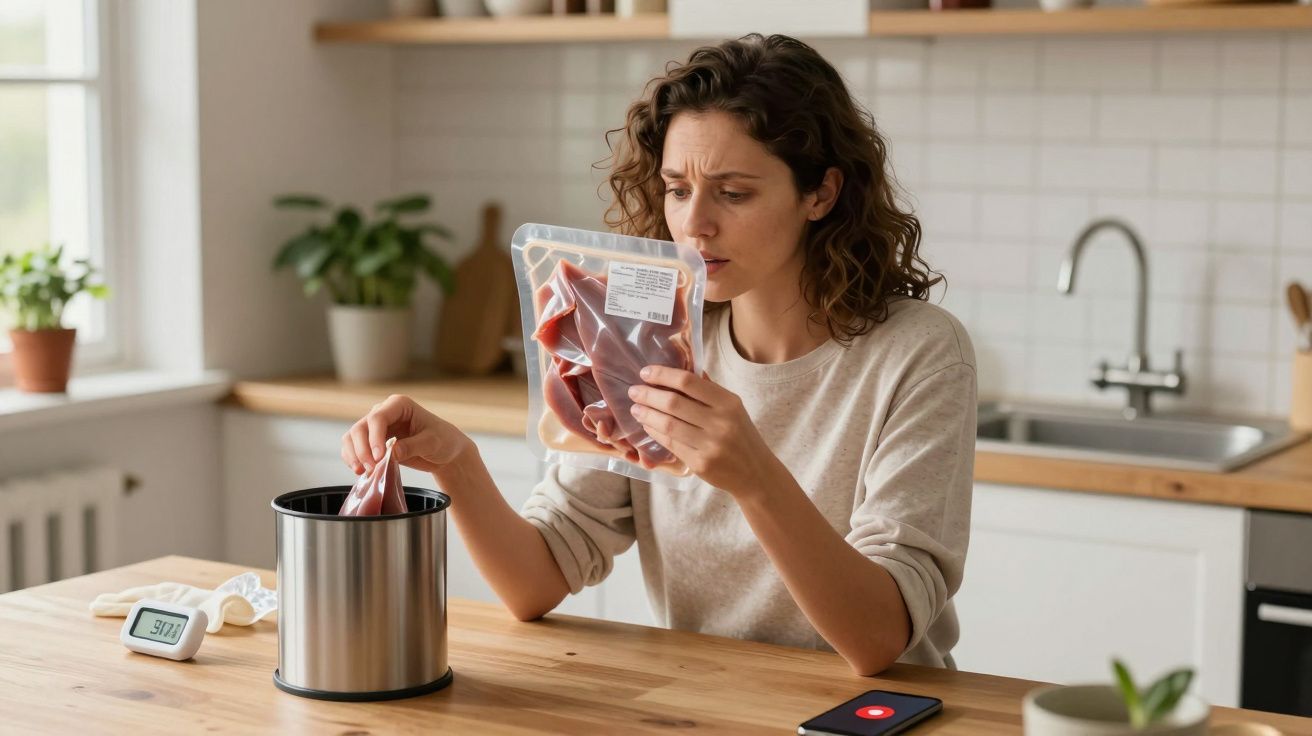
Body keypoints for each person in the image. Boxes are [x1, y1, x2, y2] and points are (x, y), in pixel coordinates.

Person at [341, 33, 975, 676]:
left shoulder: (919, 353)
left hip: (880, 712)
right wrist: (458, 463)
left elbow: (878, 638)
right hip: (703, 707)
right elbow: (535, 580)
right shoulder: (649, 336)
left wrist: (753, 476)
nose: (694, 224)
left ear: (821, 194)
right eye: (677, 189)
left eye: (733, 193)